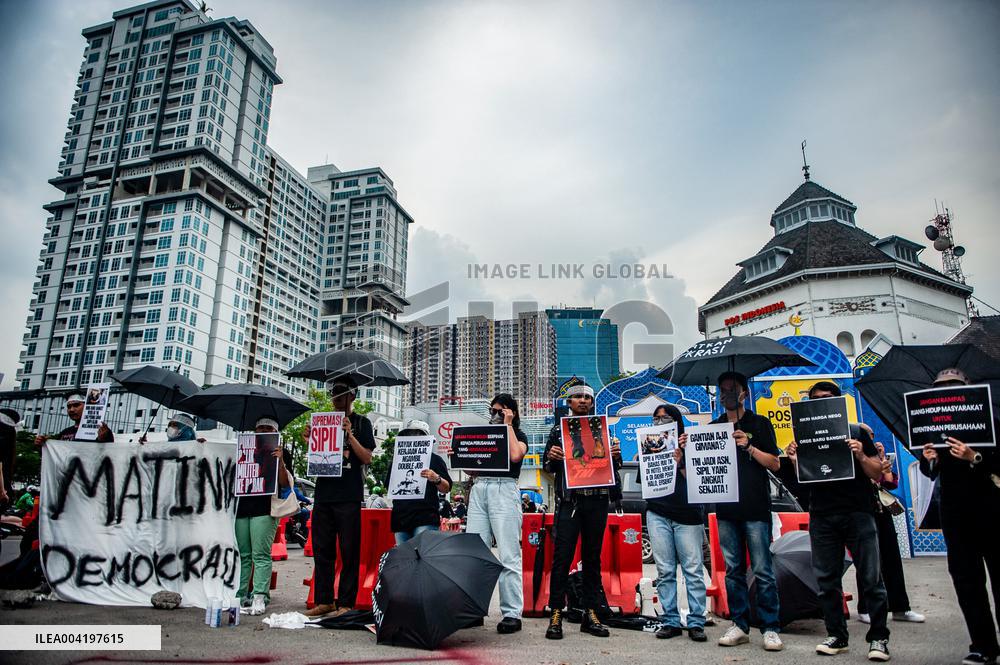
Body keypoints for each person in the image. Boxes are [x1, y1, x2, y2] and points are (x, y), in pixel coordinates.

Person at [786, 381, 890, 661]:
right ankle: (837, 635)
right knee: (827, 580)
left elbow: (877, 473)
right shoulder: (803, 435)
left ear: (838, 402)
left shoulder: (856, 432)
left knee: (871, 578)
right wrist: (795, 460)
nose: (823, 401)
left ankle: (879, 638)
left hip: (858, 511)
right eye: (816, 398)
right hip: (822, 514)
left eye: (828, 397)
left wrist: (859, 454)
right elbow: (801, 482)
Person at [919, 368, 1000, 665]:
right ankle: (983, 645)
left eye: (953, 385)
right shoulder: (932, 427)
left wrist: (974, 457)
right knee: (967, 581)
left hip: (991, 508)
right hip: (955, 511)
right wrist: (930, 462)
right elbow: (929, 472)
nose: (947, 390)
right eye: (940, 386)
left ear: (967, 387)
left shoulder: (990, 419)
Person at [543, 382, 622, 640]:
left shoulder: (605, 429)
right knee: (562, 559)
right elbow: (548, 467)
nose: (583, 401)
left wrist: (615, 454)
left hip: (598, 501)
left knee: (592, 559)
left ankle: (591, 613)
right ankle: (556, 612)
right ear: (569, 402)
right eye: (577, 397)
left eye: (587, 397)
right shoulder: (558, 431)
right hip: (571, 502)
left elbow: (615, 467)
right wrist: (552, 457)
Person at [712, 372, 783, 652]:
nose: (727, 395)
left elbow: (775, 464)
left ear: (744, 393)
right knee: (733, 571)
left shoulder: (760, 424)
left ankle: (770, 627)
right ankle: (739, 624)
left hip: (755, 507)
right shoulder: (715, 426)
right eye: (723, 390)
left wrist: (749, 446)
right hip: (726, 510)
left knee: (763, 570)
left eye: (732, 389)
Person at [304, 378, 375, 619]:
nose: (336, 397)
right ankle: (324, 600)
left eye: (342, 393)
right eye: (334, 392)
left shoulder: (362, 423)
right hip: (324, 493)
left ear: (352, 397)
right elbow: (315, 456)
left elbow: (367, 458)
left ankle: (346, 601)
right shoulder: (323, 420)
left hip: (349, 494)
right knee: (322, 549)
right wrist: (309, 440)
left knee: (349, 550)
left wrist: (349, 435)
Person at [466, 394, 530, 634]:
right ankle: (473, 609)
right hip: (480, 486)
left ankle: (512, 613)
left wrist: (508, 424)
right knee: (475, 552)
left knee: (508, 554)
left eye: (499, 411)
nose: (494, 415)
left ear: (510, 412)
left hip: (504, 487)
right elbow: (471, 467)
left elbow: (515, 455)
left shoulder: (519, 435)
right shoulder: (485, 434)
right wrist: (459, 453)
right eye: (492, 411)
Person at [645, 403, 708, 642]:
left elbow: (701, 483)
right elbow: (646, 481)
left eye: (666, 417)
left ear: (677, 420)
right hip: (658, 512)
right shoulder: (649, 444)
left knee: (692, 569)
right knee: (664, 570)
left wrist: (681, 461)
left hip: (687, 514)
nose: (661, 421)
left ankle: (696, 622)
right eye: (656, 418)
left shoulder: (692, 443)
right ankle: (670, 619)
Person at [856, 431, 924, 625]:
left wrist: (882, 459)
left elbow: (890, 482)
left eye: (870, 435)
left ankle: (900, 607)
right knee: (867, 561)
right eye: (865, 435)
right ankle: (865, 608)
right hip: (862, 509)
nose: (870, 438)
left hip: (881, 510)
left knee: (892, 558)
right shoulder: (853, 454)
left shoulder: (876, 456)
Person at [235, 418, 290, 616]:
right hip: (241, 508)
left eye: (269, 429)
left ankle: (260, 595)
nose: (264, 431)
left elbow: (284, 483)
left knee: (260, 554)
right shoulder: (243, 449)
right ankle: (241, 595)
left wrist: (281, 460)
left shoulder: (280, 453)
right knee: (244, 555)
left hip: (265, 509)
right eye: (260, 428)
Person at [386, 419, 451, 544]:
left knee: (422, 557)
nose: (414, 437)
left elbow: (446, 488)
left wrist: (436, 478)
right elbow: (389, 486)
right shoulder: (397, 460)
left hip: (425, 518)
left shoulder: (435, 460)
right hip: (401, 518)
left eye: (418, 434)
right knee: (404, 559)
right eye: (410, 434)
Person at [35, 394, 114, 446]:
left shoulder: (101, 431)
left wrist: (103, 440)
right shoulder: (65, 432)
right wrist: (44, 445)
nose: (71, 410)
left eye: (76, 405)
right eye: (69, 407)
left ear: (87, 406)